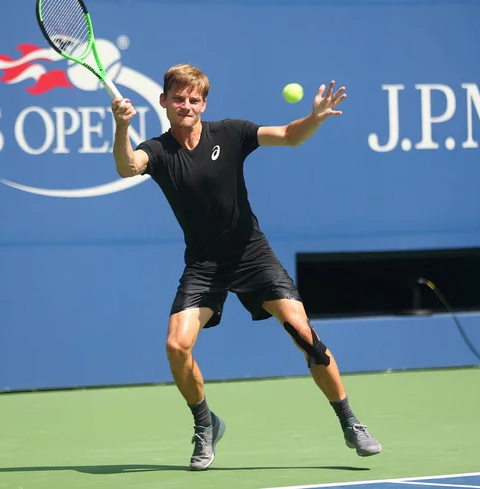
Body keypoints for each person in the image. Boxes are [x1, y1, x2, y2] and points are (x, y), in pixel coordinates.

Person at [111, 64, 381, 471]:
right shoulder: (159, 150)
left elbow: (290, 136)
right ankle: (205, 425)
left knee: (305, 335)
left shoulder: (231, 133)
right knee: (176, 345)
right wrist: (120, 127)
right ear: (164, 101)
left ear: (204, 103)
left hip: (252, 256)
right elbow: (127, 166)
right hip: (204, 265)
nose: (187, 105)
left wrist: (315, 118)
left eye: (194, 99)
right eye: (179, 98)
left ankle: (349, 421)